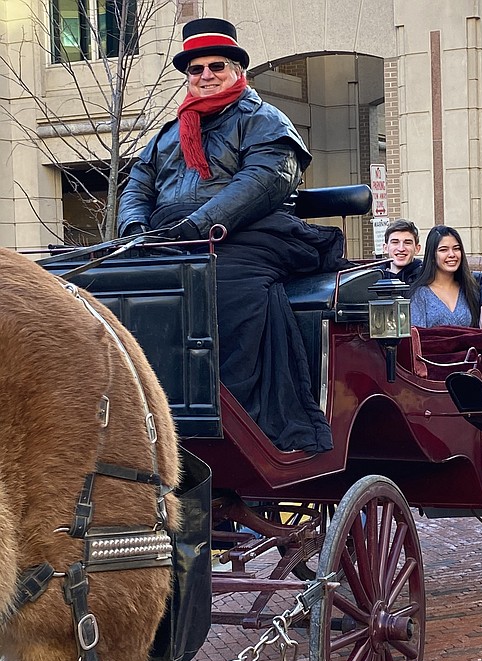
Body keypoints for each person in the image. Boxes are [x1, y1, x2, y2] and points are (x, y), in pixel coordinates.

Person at [118, 18, 348, 453]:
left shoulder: (263, 119)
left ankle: (229, 416)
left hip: (251, 232)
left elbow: (266, 179)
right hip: (169, 237)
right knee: (105, 281)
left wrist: (198, 227)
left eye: (216, 66)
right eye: (196, 69)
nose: (206, 75)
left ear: (238, 69)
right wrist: (134, 229)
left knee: (215, 283)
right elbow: (138, 185)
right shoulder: (168, 135)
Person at [411, 225, 482, 332]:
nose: (452, 254)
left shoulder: (470, 287)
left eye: (456, 248)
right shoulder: (420, 294)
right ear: (432, 256)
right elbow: (417, 340)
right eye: (443, 250)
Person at [381, 219, 423, 284]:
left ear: (417, 249)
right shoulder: (372, 279)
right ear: (385, 248)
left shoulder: (427, 278)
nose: (401, 249)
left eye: (407, 243)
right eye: (395, 242)